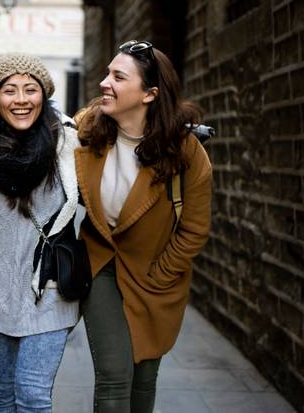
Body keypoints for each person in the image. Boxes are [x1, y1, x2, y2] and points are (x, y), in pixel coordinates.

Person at [74, 40, 212, 413]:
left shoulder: (185, 152)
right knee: (115, 375)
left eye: (118, 77)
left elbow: (195, 229)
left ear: (149, 94)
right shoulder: (87, 131)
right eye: (107, 73)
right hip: (101, 264)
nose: (105, 82)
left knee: (144, 375)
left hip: (156, 273)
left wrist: (160, 274)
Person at [0, 54, 82, 413]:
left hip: (49, 292)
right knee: (1, 393)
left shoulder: (66, 142)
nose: (21, 99)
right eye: (9, 90)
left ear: (44, 95)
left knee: (32, 396)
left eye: (31, 89)